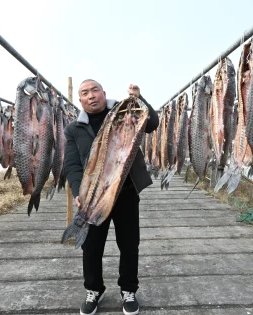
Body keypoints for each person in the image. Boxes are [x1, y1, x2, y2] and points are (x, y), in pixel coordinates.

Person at [63, 79, 159, 315]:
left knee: (129, 245)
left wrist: (139, 98)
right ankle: (94, 290)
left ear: (104, 93)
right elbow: (72, 165)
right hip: (95, 195)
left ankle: (128, 290)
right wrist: (78, 193)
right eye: (85, 93)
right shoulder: (74, 129)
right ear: (80, 100)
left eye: (95, 90)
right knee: (91, 247)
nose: (91, 96)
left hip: (125, 193)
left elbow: (152, 123)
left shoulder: (125, 113)